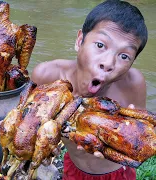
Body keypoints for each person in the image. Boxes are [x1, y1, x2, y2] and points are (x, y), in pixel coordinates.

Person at [30, 0, 147, 179]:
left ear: (131, 63)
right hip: (74, 167)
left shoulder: (133, 84)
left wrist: (127, 142)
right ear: (79, 41)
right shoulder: (47, 76)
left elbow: (142, 139)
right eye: (100, 45)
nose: (108, 63)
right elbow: (29, 122)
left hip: (117, 173)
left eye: (124, 56)